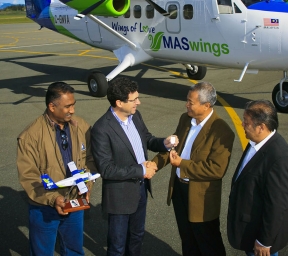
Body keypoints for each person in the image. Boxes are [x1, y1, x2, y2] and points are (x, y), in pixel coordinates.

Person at [91, 77, 178, 256]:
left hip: (141, 189)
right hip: (120, 196)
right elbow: (106, 169)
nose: (139, 102)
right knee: (117, 245)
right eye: (134, 99)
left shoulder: (135, 115)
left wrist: (165, 143)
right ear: (119, 102)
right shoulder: (101, 129)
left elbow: (147, 138)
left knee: (137, 237)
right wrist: (141, 170)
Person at [152, 82, 235, 256]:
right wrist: (154, 164)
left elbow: (216, 169)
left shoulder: (221, 131)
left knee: (208, 242)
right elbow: (173, 149)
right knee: (187, 239)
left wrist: (182, 164)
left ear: (206, 106)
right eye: (187, 101)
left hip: (201, 197)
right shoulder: (185, 119)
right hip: (180, 191)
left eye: (191, 102)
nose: (186, 105)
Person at [17, 82, 97, 256]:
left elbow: (90, 160)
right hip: (44, 207)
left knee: (74, 250)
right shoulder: (30, 136)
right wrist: (53, 198)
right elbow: (29, 176)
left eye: (73, 105)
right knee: (42, 252)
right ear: (51, 107)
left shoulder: (81, 126)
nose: (72, 110)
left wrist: (86, 186)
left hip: (75, 201)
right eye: (67, 106)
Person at [227, 100, 288, 256]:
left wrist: (264, 241)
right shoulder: (256, 141)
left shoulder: (278, 157)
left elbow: (276, 205)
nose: (242, 124)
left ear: (261, 127)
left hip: (261, 242)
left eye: (246, 122)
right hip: (250, 230)